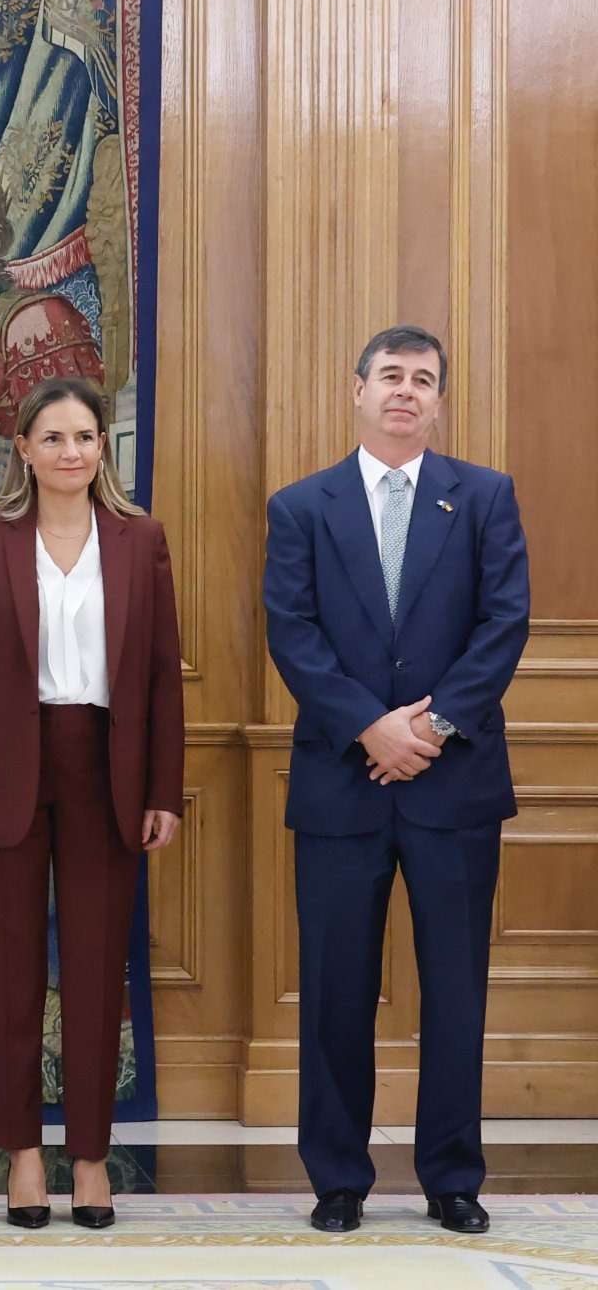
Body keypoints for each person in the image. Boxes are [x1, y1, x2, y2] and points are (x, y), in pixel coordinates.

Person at [263, 325, 529, 1236]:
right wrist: (370, 727)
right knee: (335, 990)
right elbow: (292, 634)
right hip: (342, 784)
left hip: (453, 789)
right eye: (390, 376)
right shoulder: (302, 506)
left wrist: (430, 726)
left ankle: (453, 1178)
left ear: (440, 400)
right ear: (357, 389)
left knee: (456, 990)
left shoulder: (485, 498)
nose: (406, 391)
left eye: (423, 380)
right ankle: (338, 1178)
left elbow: (504, 625)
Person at [0, 376, 184, 1230]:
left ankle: (89, 1156)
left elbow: (157, 677)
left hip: (105, 774)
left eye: (84, 436)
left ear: (102, 447)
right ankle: (25, 1156)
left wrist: (162, 792)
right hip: (4, 771)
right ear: (24, 450)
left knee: (92, 970)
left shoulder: (140, 540)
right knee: (9, 974)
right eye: (53, 438)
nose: (70, 452)